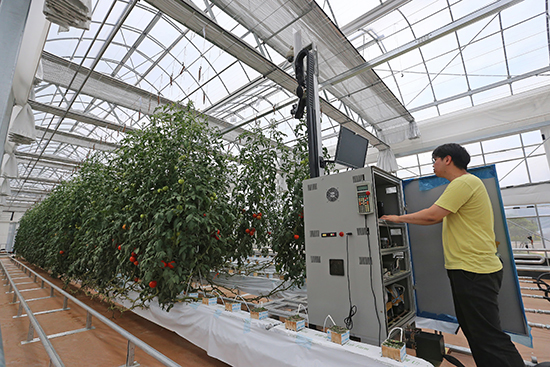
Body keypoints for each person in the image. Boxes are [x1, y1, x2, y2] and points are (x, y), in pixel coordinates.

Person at [380, 143, 524, 367]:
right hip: (468, 270)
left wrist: (396, 219)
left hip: (474, 270)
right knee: (475, 331)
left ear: (447, 159)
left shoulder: (464, 182)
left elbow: (432, 216)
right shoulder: (466, 184)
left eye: (435, 160)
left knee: (487, 335)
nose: (433, 165)